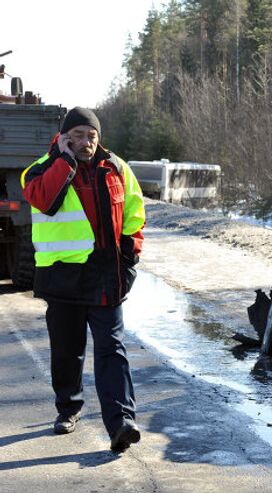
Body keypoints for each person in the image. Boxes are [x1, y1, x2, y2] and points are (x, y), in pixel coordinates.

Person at [21, 107, 145, 453]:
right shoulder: (39, 170)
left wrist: (130, 254)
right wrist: (64, 161)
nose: (87, 141)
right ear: (64, 137)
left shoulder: (117, 167)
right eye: (78, 135)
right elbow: (45, 200)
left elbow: (135, 212)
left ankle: (121, 422)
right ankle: (68, 408)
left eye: (92, 135)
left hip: (107, 274)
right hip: (63, 276)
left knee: (112, 349)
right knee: (67, 350)